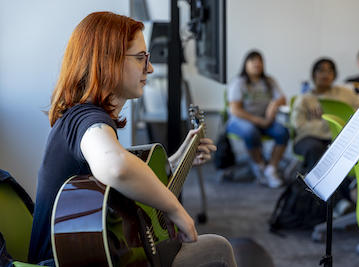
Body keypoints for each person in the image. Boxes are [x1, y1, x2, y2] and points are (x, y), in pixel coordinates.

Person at [28, 12, 237, 267]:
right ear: (106, 61)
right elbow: (116, 167)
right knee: (218, 250)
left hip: (102, 255)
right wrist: (175, 209)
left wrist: (179, 159)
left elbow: (118, 187)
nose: (149, 68)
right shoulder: (85, 118)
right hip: (75, 259)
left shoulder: (86, 119)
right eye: (140, 58)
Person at [227, 50, 289, 188]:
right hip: (239, 120)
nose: (256, 63)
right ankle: (259, 166)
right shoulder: (239, 82)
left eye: (259, 60)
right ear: (245, 64)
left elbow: (282, 99)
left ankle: (271, 169)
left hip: (264, 120)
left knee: (282, 132)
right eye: (252, 60)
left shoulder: (269, 81)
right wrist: (259, 121)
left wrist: (273, 105)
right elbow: (235, 110)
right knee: (250, 131)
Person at [291, 58, 359, 173]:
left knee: (344, 151)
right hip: (309, 139)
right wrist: (327, 126)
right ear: (314, 74)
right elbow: (298, 125)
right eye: (321, 71)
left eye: (330, 71)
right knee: (316, 149)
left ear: (334, 75)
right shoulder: (304, 99)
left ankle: (340, 189)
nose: (325, 75)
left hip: (337, 139)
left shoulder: (345, 94)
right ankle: (315, 187)